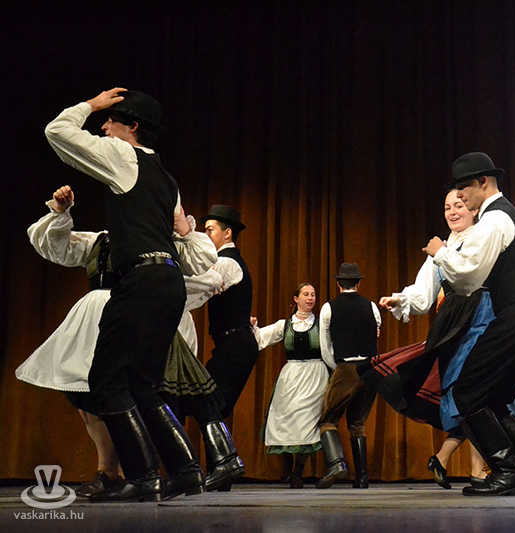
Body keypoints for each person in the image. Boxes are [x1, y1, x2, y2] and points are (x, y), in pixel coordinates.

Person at [45, 88, 213, 502]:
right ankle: (186, 471)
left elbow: (58, 131)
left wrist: (92, 104)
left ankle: (142, 476)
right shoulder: (167, 179)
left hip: (140, 281)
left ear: (132, 127)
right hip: (167, 281)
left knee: (105, 380)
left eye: (111, 120)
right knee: (141, 383)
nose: (104, 126)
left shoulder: (124, 156)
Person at [16, 185, 234, 497]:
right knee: (86, 398)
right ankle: (114, 471)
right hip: (91, 320)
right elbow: (56, 245)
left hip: (133, 316)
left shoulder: (159, 243)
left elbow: (196, 273)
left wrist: (190, 244)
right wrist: (61, 213)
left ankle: (147, 473)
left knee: (130, 395)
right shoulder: (101, 240)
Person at [375, 189, 515, 490]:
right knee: (478, 398)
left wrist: (442, 253)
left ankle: (508, 468)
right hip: (455, 327)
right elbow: (424, 293)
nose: (452, 211)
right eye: (447, 207)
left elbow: (475, 273)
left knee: (476, 394)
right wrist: (401, 299)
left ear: (474, 209)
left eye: (459, 205)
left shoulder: (484, 234)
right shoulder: (443, 248)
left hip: (487, 319)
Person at [421, 152, 515, 496]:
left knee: (468, 392)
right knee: (493, 397)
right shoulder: (497, 216)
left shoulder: (495, 219)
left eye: (464, 187)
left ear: (484, 182)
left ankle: (506, 470)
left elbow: (467, 276)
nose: (460, 195)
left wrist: (440, 252)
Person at [251, 283, 328, 489]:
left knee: (307, 421)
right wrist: (251, 326)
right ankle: (287, 464)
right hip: (291, 376)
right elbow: (260, 338)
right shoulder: (284, 325)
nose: (310, 298)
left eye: (313, 295)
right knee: (287, 419)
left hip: (315, 375)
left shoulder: (321, 325)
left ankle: (297, 472)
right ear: (296, 299)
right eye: (306, 294)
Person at [316, 263, 381, 489]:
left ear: (338, 283)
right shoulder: (372, 306)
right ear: (358, 283)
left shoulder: (329, 308)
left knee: (328, 419)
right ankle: (362, 477)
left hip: (347, 366)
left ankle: (336, 464)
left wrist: (338, 367)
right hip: (370, 368)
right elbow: (376, 332)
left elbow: (325, 346)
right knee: (357, 422)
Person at [196, 205, 260, 422]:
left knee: (209, 405)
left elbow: (196, 287)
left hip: (236, 346)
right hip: (231, 344)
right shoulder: (224, 261)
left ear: (227, 233)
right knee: (210, 406)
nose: (206, 235)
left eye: (210, 230)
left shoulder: (226, 263)